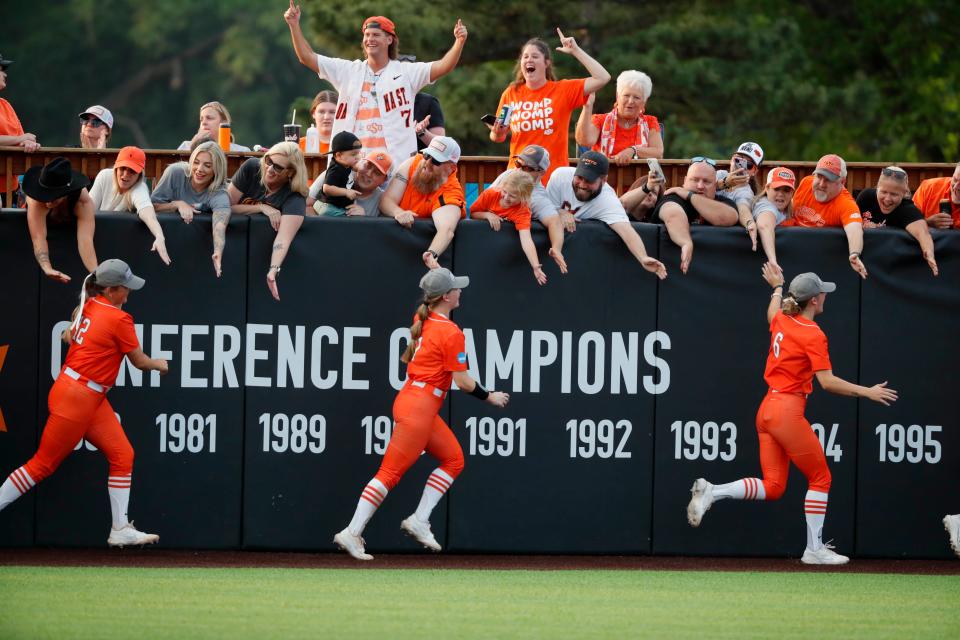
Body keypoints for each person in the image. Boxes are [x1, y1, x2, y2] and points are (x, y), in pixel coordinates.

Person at [687, 266, 898, 565]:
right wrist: (868, 392)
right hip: (786, 410)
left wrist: (776, 287)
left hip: (766, 410)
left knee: (773, 487)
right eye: (822, 291)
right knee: (821, 477)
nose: (825, 295)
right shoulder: (813, 333)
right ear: (814, 300)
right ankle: (814, 549)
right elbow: (828, 382)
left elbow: (772, 311)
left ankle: (713, 491)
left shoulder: (782, 319)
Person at [333, 268, 509, 560]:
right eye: (455, 288)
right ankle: (351, 532)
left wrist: (432, 262)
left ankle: (419, 520)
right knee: (388, 474)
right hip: (419, 408)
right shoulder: (451, 332)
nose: (460, 291)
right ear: (445, 297)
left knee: (454, 460)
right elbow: (463, 382)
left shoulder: (422, 318)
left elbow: (432, 296)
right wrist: (490, 396)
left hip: (417, 403)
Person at [0, 259, 169, 547]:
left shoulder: (88, 305)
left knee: (123, 454)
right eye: (125, 288)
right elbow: (139, 362)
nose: (129, 294)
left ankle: (120, 529)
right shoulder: (119, 319)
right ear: (112, 290)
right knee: (41, 465)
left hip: (87, 395)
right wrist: (160, 365)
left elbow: (70, 335)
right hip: (77, 397)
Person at [285, 3, 468, 162]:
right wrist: (294, 26)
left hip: (394, 163)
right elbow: (307, 57)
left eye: (375, 35)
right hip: (352, 163)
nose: (369, 39)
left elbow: (444, 66)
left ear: (389, 39)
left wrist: (459, 43)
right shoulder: (349, 70)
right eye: (366, 35)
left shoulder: (406, 71)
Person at [489, 32, 610, 182]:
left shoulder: (563, 90)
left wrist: (576, 51)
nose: (529, 60)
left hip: (553, 178)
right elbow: (498, 137)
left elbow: (603, 77)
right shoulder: (511, 93)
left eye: (535, 56)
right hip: (519, 179)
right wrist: (497, 132)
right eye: (525, 57)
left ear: (546, 63)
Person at [543, 151, 667, 279]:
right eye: (579, 177)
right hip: (548, 254)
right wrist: (559, 212)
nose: (582, 184)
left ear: (603, 180)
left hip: (583, 261)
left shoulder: (608, 200)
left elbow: (626, 231)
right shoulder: (560, 176)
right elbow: (542, 208)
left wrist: (643, 257)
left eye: (589, 180)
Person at [227, 141, 308, 300]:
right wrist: (260, 208)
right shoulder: (252, 167)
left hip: (256, 257)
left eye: (278, 167)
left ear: (290, 172)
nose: (269, 169)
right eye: (268, 161)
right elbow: (224, 208)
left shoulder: (295, 197)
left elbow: (283, 239)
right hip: (229, 245)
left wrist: (273, 269)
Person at [380, 136, 466, 269]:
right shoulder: (414, 163)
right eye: (427, 155)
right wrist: (398, 212)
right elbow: (386, 201)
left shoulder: (451, 192)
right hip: (388, 243)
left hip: (414, 255)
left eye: (436, 161)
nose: (427, 162)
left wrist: (432, 253)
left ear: (451, 167)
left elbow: (446, 230)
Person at [151, 141, 231, 276]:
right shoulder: (175, 172)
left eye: (207, 165)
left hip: (195, 254)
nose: (199, 169)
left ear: (217, 169)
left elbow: (220, 224)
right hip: (164, 243)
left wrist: (217, 252)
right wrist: (177, 204)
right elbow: (151, 206)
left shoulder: (219, 193)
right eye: (196, 162)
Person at [647, 157, 739, 273]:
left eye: (706, 181)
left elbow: (729, 217)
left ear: (715, 185)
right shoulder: (674, 196)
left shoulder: (722, 202)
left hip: (717, 271)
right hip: (671, 270)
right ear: (685, 181)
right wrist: (686, 243)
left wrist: (689, 195)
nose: (700, 186)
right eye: (695, 180)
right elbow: (673, 214)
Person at [783, 154, 867, 279]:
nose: (821, 184)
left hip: (818, 264)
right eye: (819, 176)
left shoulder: (846, 204)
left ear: (842, 182)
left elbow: (855, 229)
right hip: (789, 252)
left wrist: (854, 253)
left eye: (828, 179)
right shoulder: (806, 182)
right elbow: (788, 210)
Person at [89, 146, 171, 266]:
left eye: (132, 171)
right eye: (122, 168)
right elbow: (89, 208)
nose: (125, 174)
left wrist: (159, 236)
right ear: (116, 167)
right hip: (94, 239)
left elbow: (148, 214)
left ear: (139, 174)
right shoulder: (104, 176)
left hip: (119, 246)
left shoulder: (139, 188)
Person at [23, 157, 97, 283]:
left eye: (53, 197)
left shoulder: (82, 201)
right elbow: (38, 238)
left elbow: (86, 241)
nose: (48, 201)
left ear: (66, 192)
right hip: (33, 228)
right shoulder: (36, 200)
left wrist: (97, 274)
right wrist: (47, 267)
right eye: (45, 195)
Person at [855, 166, 938, 275]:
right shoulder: (866, 197)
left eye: (894, 194)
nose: (887, 199)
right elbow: (851, 222)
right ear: (877, 188)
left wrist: (929, 253)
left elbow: (923, 233)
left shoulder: (907, 209)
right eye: (884, 192)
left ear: (904, 194)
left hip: (890, 268)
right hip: (863, 261)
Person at [470, 171, 547, 285]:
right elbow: (473, 213)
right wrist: (487, 215)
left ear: (523, 197)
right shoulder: (491, 194)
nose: (506, 197)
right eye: (505, 191)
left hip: (500, 253)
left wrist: (535, 266)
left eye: (512, 196)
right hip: (481, 245)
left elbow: (526, 239)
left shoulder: (522, 211)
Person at [575, 69, 663, 164]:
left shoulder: (650, 122)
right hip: (601, 176)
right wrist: (587, 106)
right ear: (618, 97)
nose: (630, 101)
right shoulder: (600, 120)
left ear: (644, 102)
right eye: (626, 95)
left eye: (636, 97)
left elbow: (658, 152)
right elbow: (584, 141)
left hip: (640, 176)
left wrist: (633, 150)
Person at [0, 53, 41, 205]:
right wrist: (20, 140)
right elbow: (19, 138)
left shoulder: (5, 105)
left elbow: (22, 138)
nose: (5, 73)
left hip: (11, 190)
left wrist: (27, 143)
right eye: (1, 69)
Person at [307, 151, 393, 216]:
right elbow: (304, 205)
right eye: (368, 166)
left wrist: (363, 221)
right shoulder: (334, 174)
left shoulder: (383, 201)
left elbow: (380, 235)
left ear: (384, 181)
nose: (369, 173)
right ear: (360, 163)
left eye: (377, 173)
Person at [716, 142, 765, 253]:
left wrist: (749, 223)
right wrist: (724, 183)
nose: (741, 166)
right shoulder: (720, 174)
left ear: (754, 171)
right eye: (738, 160)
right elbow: (699, 188)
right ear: (731, 159)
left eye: (748, 165)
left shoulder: (746, 192)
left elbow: (743, 208)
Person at [490, 144, 556, 223]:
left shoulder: (539, 198)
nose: (519, 170)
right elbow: (484, 201)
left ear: (541, 172)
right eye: (518, 164)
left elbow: (554, 223)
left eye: (527, 168)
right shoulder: (509, 173)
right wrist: (487, 215)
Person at [750, 166, 797, 271]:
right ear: (767, 188)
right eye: (776, 189)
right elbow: (765, 225)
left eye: (786, 190)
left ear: (792, 193)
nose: (780, 194)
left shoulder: (790, 208)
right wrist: (772, 260)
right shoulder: (765, 205)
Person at [176, 101, 250, 152]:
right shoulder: (186, 146)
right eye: (201, 119)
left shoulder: (241, 151)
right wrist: (193, 146)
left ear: (224, 123)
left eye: (209, 118)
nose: (204, 123)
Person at [318, 131, 363, 215]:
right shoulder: (336, 169)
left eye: (358, 153)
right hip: (329, 207)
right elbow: (327, 188)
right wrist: (346, 192)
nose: (357, 157)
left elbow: (356, 168)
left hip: (338, 207)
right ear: (338, 156)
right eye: (353, 154)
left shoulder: (346, 164)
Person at [911, 162, 960, 230]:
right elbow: (909, 221)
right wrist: (928, 222)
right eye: (955, 179)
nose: (956, 187)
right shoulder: (929, 187)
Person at [310, 89, 338, 154]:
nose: (327, 117)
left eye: (332, 112)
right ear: (313, 114)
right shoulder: (298, 146)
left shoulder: (348, 147)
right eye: (321, 112)